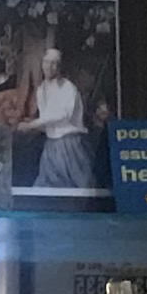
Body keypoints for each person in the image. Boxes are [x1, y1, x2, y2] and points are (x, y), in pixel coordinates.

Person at [27, 41, 97, 190]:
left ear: (59, 67)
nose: (49, 67)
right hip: (51, 147)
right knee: (48, 187)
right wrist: (29, 127)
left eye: (54, 63)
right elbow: (47, 122)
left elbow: (63, 115)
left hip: (70, 146)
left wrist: (34, 124)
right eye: (46, 62)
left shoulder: (68, 88)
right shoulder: (41, 90)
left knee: (79, 186)